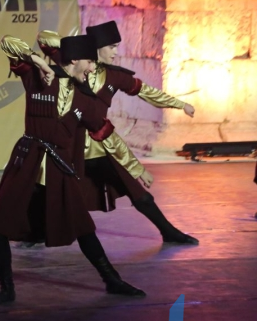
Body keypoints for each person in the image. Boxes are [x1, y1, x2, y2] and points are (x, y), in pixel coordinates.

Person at [0, 34, 146, 305]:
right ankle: (6, 289)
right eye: (89, 62)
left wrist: (135, 167)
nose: (92, 69)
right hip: (26, 162)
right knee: (0, 225)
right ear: (74, 60)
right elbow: (8, 42)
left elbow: (105, 134)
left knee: (82, 226)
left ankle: (112, 280)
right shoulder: (36, 77)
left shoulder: (86, 99)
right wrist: (39, 62)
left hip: (59, 168)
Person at [37, 24, 197, 244]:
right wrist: (68, 47)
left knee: (136, 191)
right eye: (111, 46)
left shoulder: (114, 76)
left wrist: (179, 104)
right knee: (50, 191)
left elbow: (146, 92)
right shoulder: (70, 66)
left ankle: (168, 231)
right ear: (96, 48)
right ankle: (36, 234)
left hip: (100, 147)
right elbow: (45, 38)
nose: (115, 51)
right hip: (69, 146)